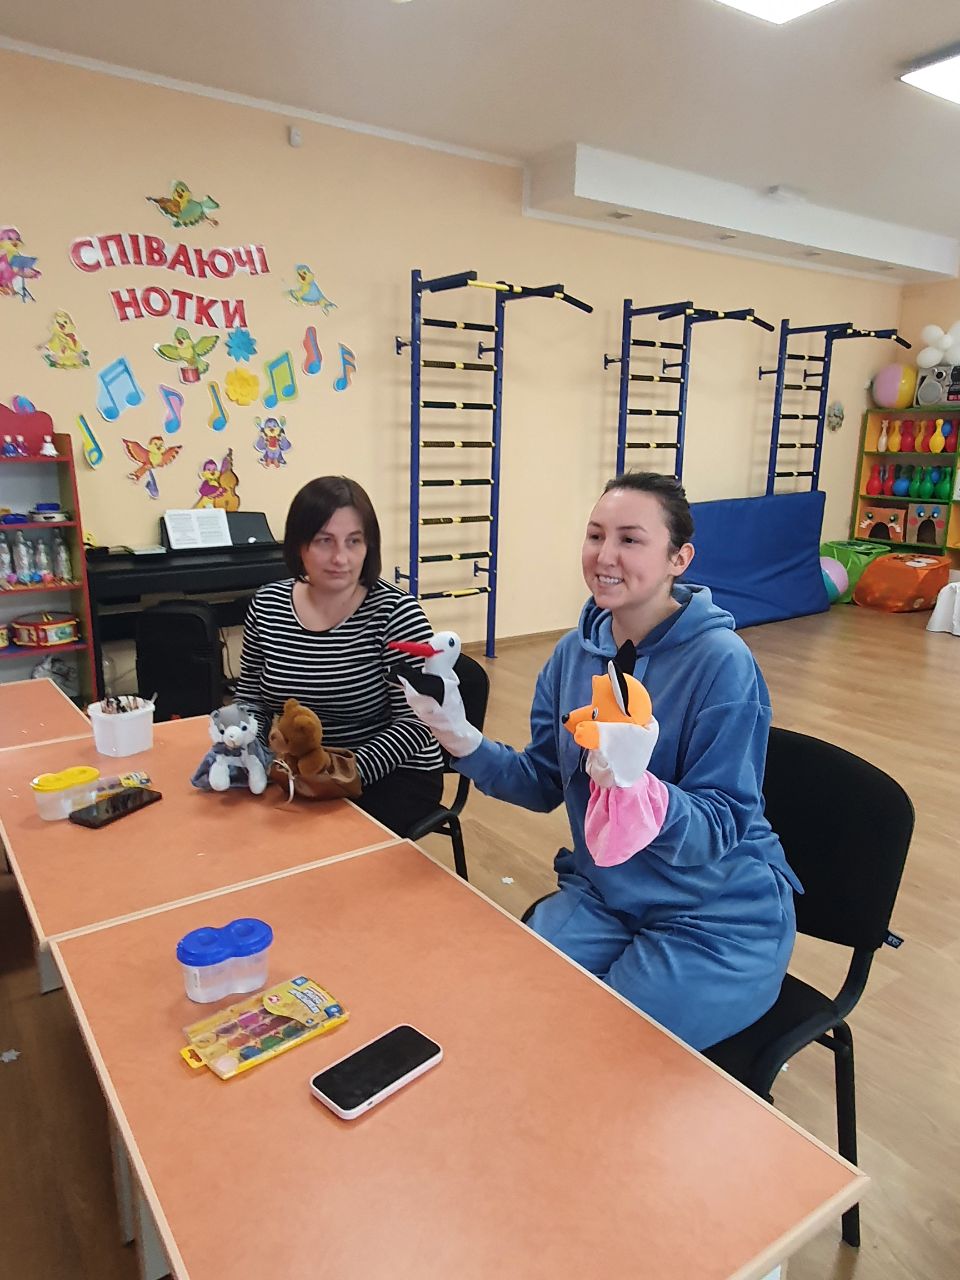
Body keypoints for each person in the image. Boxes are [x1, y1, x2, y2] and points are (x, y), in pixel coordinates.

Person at [399, 472, 801, 1050]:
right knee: (517, 1006)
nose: (605, 555)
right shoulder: (572, 654)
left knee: (603, 1046)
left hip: (715, 913)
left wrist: (644, 793)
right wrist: (461, 740)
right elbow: (543, 782)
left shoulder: (722, 662)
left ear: (679, 559)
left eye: (630, 539)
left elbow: (719, 825)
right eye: (595, 535)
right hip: (608, 895)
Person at [237, 476, 444, 835]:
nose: (340, 558)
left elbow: (417, 724)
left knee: (309, 840)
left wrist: (341, 772)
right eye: (324, 541)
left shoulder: (396, 614)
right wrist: (255, 754)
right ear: (299, 545)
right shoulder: (268, 604)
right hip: (297, 767)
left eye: (354, 541)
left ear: (369, 546)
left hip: (390, 773)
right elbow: (250, 698)